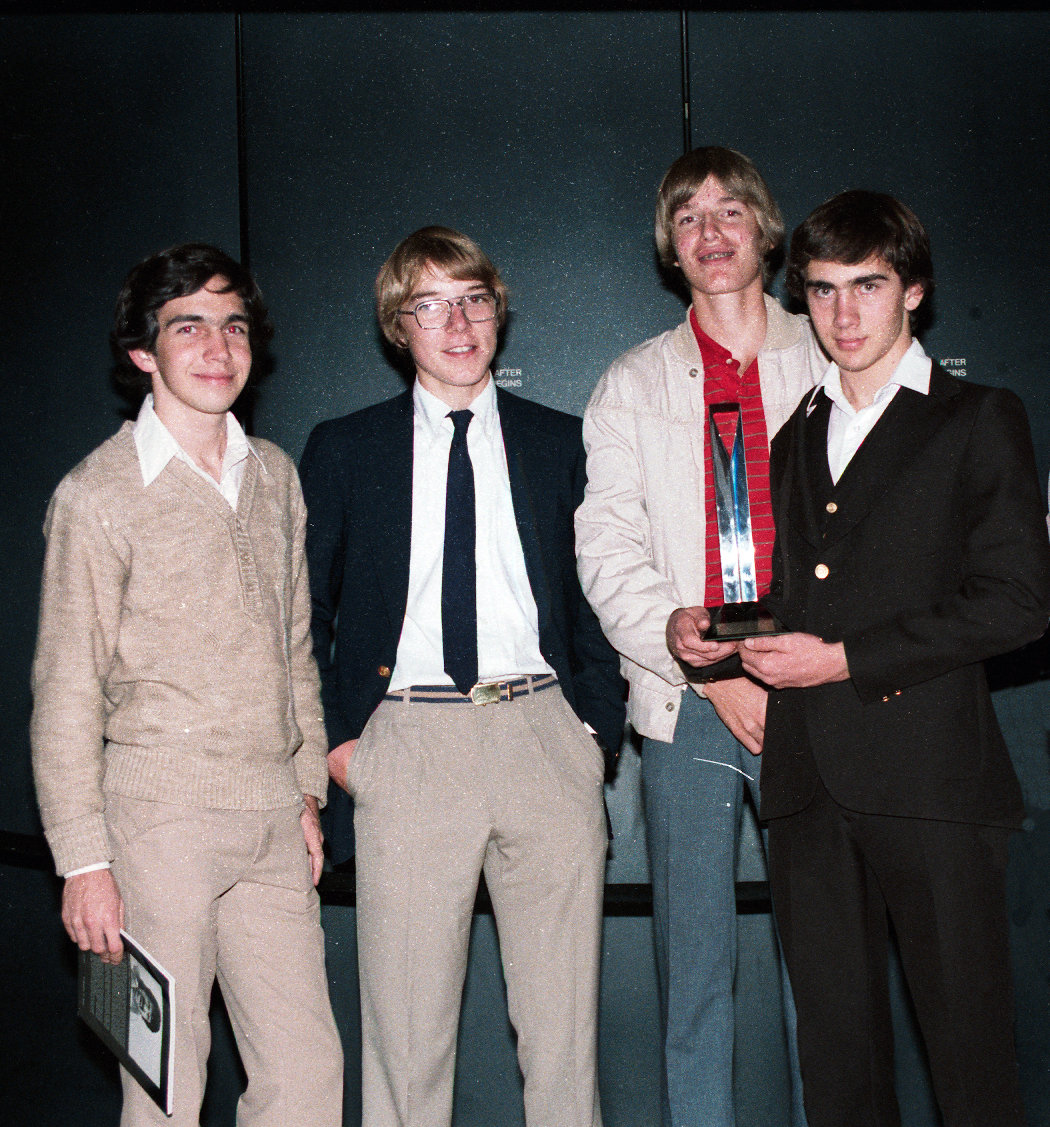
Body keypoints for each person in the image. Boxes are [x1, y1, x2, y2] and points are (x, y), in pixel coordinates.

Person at [299, 226, 625, 1127]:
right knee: (406, 1046)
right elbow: (302, 615)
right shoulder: (347, 447)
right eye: (431, 304)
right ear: (397, 325)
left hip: (542, 733)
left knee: (563, 1040)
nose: (458, 322)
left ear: (497, 312)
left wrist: (591, 734)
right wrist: (341, 745)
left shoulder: (562, 443)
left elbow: (595, 598)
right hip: (408, 742)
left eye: (474, 298)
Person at [737, 190, 1050, 1127]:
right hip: (807, 786)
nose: (843, 314)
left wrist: (842, 660)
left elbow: (1020, 601)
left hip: (933, 781)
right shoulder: (794, 431)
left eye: (867, 286)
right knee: (836, 1067)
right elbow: (805, 593)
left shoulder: (978, 416)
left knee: (969, 1057)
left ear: (914, 290)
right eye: (824, 291)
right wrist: (716, 632)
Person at [30, 244, 343, 1127]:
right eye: (189, 325)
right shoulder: (97, 496)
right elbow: (65, 691)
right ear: (144, 351)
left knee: (307, 1073)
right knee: (165, 1084)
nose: (217, 346)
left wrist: (309, 787)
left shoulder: (276, 475)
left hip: (273, 823)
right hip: (154, 825)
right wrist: (84, 860)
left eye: (234, 325)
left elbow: (293, 654)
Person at [575, 147, 819, 1127]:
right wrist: (697, 663)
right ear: (670, 249)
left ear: (766, 230)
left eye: (729, 214)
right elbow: (605, 547)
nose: (711, 235)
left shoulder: (837, 349)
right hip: (687, 707)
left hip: (819, 689)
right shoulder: (633, 382)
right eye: (688, 220)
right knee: (695, 973)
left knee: (826, 968)